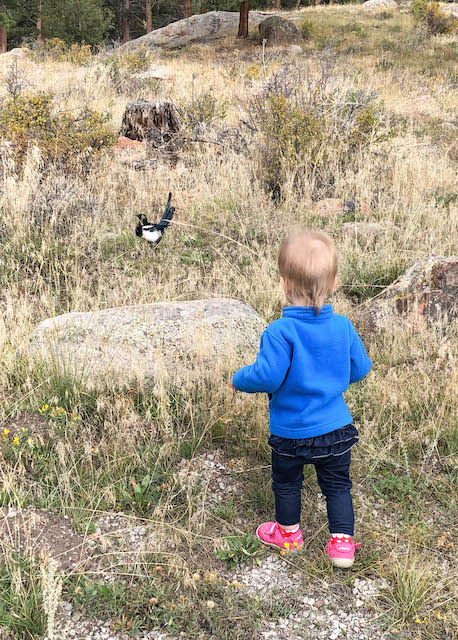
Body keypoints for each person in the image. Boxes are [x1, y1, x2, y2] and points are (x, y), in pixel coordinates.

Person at [231, 229, 372, 568]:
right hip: (336, 428)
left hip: (291, 432)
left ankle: (288, 535)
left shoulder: (280, 332)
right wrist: (336, 376)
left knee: (287, 483)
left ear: (284, 284)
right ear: (335, 281)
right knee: (338, 485)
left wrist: (238, 379)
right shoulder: (344, 327)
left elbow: (267, 376)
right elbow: (360, 369)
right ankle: (342, 545)